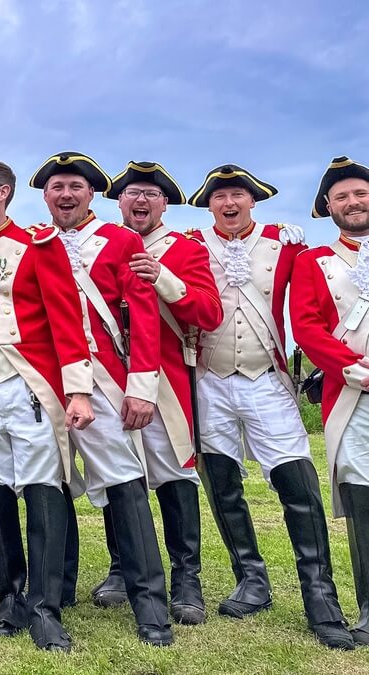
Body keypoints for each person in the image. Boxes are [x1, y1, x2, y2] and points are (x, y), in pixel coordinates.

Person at [189, 164, 353, 649]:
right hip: (209, 379)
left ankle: (320, 599)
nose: (229, 203)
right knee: (222, 484)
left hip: (265, 377)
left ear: (252, 200)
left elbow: (319, 294)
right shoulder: (193, 246)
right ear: (210, 204)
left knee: (296, 484)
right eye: (220, 197)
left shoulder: (287, 244)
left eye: (238, 194)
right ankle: (252, 580)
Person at [30, 152, 172, 646]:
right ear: (45, 196)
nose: (65, 195)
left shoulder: (121, 240)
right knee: (48, 486)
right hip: (46, 382)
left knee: (127, 489)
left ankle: (151, 607)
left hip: (108, 380)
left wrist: (141, 387)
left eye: (75, 187)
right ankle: (53, 598)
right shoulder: (35, 241)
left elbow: (144, 315)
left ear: (91, 194)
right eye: (56, 188)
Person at [0, 160, 94, 651]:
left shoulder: (38, 244)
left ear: (3, 192)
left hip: (25, 382)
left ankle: (45, 605)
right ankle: (9, 595)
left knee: (41, 488)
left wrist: (78, 390)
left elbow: (66, 318)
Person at [95, 161, 222, 626]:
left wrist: (163, 279)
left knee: (173, 476)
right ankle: (120, 568)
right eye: (132, 194)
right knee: (116, 474)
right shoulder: (100, 244)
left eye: (150, 194)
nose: (140, 201)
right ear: (119, 203)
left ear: (164, 203)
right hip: (108, 377)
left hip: (164, 379)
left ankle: (187, 578)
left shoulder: (184, 249)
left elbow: (209, 313)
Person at [293, 155, 369, 648]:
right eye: (341, 197)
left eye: (359, 193)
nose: (353, 202)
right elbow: (307, 327)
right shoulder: (313, 260)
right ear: (328, 207)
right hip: (353, 392)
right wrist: (356, 369)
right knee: (365, 498)